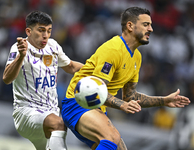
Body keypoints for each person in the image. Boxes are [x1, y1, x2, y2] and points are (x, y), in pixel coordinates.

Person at [61, 7, 191, 150]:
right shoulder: (113, 50)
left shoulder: (137, 57)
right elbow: (95, 92)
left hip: (96, 108)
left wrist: (164, 101)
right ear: (130, 26)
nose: (151, 29)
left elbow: (130, 96)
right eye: (146, 24)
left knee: (119, 148)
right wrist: (122, 105)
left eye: (151, 25)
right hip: (78, 103)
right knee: (112, 137)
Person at [2, 11, 83, 150]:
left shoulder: (53, 45)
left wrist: (96, 70)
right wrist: (21, 57)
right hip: (27, 113)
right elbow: (6, 79)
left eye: (49, 31)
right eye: (41, 30)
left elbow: (70, 66)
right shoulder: (19, 48)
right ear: (28, 31)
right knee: (58, 124)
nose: (45, 35)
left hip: (51, 111)